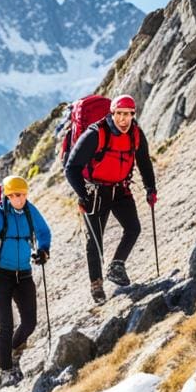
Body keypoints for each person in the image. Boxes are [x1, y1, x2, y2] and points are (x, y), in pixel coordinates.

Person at [64, 94, 156, 304]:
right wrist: (83, 195)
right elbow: (71, 168)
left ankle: (117, 265)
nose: (124, 119)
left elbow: (144, 162)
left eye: (128, 115)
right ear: (112, 114)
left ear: (134, 115)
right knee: (95, 241)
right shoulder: (95, 134)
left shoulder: (136, 134)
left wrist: (151, 188)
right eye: (120, 114)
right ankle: (96, 286)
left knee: (133, 228)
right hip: (95, 192)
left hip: (121, 189)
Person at [0, 176, 52, 384]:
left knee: (30, 323)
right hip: (0, 275)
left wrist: (43, 250)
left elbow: (44, 231)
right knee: (6, 326)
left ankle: (12, 353)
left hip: (24, 273)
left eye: (22, 194)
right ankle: (6, 371)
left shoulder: (29, 210)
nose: (19, 199)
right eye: (14, 195)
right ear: (7, 196)